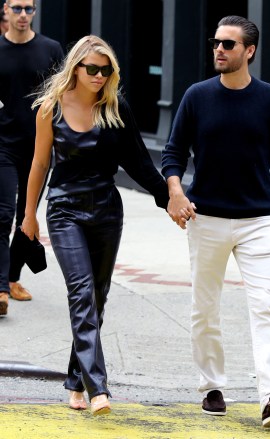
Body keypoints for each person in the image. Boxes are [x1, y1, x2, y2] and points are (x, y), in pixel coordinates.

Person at [161, 15, 270, 428]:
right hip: (207, 220)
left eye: (228, 44)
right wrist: (175, 191)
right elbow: (173, 151)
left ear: (249, 51)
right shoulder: (196, 96)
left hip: (257, 219)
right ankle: (212, 387)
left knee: (265, 305)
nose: (218, 49)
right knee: (205, 308)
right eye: (216, 43)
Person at [21, 34, 169, 415]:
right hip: (65, 210)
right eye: (93, 69)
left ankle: (76, 380)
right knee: (82, 292)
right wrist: (29, 214)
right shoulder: (50, 108)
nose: (100, 76)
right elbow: (39, 164)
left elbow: (139, 163)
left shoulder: (115, 108)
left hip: (106, 211)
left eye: (106, 70)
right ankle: (98, 388)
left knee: (97, 297)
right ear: (75, 67)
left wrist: (170, 198)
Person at [0, 0, 64, 316]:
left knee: (27, 218)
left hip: (40, 146)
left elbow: (65, 90)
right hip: (3, 145)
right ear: (5, 12)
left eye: (29, 9)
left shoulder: (51, 49)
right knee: (3, 213)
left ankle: (11, 277)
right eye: (17, 8)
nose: (23, 14)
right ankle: (0, 287)